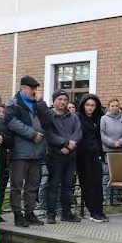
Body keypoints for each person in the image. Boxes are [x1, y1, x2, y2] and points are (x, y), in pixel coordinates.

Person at [4, 76, 47, 227]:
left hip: (37, 151)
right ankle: (17, 214)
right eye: (32, 88)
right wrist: (32, 134)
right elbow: (11, 122)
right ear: (23, 88)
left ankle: (29, 212)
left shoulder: (37, 103)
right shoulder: (12, 103)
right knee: (17, 185)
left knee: (33, 184)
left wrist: (41, 103)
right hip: (20, 152)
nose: (34, 91)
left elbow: (47, 120)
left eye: (35, 88)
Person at [44, 90, 83, 223]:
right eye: (60, 99)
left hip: (71, 156)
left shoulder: (73, 117)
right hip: (55, 156)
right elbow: (49, 134)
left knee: (67, 186)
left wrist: (71, 145)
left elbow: (78, 132)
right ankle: (51, 214)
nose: (62, 102)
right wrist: (64, 144)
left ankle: (66, 213)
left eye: (65, 99)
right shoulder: (48, 116)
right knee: (53, 185)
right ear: (54, 100)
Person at [76, 94, 107, 223]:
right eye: (87, 105)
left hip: (96, 154)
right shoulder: (78, 118)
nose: (90, 108)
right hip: (82, 155)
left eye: (93, 105)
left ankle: (99, 210)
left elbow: (100, 137)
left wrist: (101, 153)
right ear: (83, 105)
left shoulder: (98, 118)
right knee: (87, 184)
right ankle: (93, 211)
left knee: (97, 183)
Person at [100, 98, 122, 206]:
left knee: (120, 174)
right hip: (108, 151)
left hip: (121, 150)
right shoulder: (104, 119)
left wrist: (120, 142)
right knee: (107, 175)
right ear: (108, 107)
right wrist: (112, 143)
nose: (114, 107)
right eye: (112, 106)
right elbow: (102, 134)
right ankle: (106, 197)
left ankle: (118, 198)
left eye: (116, 105)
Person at [0, 103, 13, 223]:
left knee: (1, 188)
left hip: (3, 160)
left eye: (3, 112)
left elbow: (11, 140)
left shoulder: (6, 126)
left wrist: (3, 138)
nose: (1, 114)